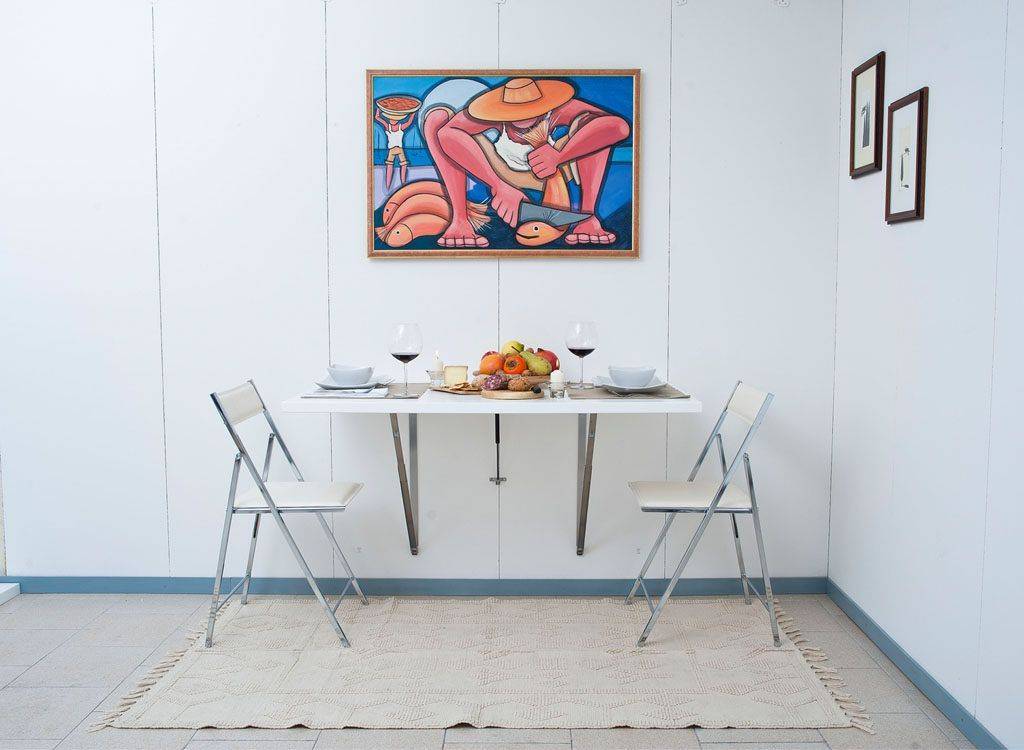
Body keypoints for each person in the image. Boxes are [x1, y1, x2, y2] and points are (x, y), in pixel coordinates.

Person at [422, 77, 630, 248]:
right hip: (498, 170)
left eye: (531, 109)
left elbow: (618, 127)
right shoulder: (492, 118)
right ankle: (460, 220)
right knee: (436, 122)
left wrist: (559, 156)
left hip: (551, 166)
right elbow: (447, 134)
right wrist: (499, 186)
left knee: (591, 126)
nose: (524, 117)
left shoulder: (557, 111)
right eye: (516, 112)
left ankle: (588, 218)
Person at [375, 107, 414, 189]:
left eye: (394, 119)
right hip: (394, 150)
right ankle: (388, 186)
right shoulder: (389, 126)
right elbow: (377, 118)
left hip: (397, 150)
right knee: (392, 166)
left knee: (401, 165)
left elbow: (409, 122)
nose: (392, 120)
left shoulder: (399, 127)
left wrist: (412, 113)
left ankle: (402, 183)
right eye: (391, 118)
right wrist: (378, 110)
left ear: (398, 120)